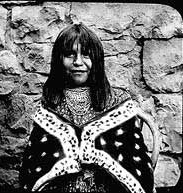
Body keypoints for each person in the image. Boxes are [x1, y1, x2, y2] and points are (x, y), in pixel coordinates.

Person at [19, 23, 161, 193]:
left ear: (97, 60)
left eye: (86, 55)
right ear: (59, 59)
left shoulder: (119, 102)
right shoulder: (50, 104)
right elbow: (35, 163)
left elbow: (136, 162)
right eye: (70, 55)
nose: (78, 62)